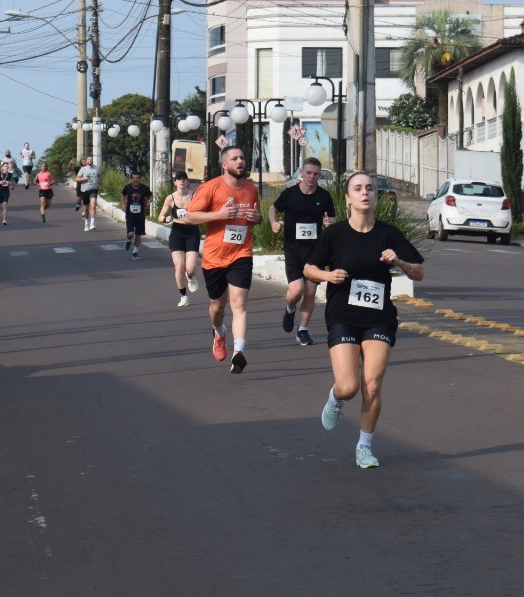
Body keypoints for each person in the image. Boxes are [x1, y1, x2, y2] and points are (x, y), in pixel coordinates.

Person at [304, 171, 425, 469]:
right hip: (343, 314)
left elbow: (418, 271)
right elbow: (309, 269)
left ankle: (364, 447)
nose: (365, 193)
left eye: (369, 188)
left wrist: (397, 261)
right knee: (349, 387)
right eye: (357, 189)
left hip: (379, 317)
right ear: (348, 198)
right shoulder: (335, 234)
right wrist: (328, 275)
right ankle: (335, 398)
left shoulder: (388, 234)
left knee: (372, 384)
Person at [180, 145, 260, 373]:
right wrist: (219, 215)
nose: (240, 161)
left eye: (242, 157)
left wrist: (257, 218)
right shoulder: (210, 188)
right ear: (224, 164)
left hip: (241, 253)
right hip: (215, 257)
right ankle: (219, 332)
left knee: (239, 304)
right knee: (217, 307)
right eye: (235, 158)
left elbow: (255, 217)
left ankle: (239, 352)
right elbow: (189, 217)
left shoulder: (251, 190)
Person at [271, 157, 336, 346]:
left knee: (309, 292)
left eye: (316, 174)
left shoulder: (324, 197)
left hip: (315, 251)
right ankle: (290, 308)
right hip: (293, 249)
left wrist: (330, 223)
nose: (312, 177)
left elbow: (331, 220)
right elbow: (273, 209)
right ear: (302, 172)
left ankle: (303, 330)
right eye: (309, 173)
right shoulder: (290, 194)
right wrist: (274, 222)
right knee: (296, 290)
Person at [159, 172, 201, 307]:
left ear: (187, 182)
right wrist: (166, 219)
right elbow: (160, 216)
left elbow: (204, 210)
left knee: (191, 268)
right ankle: (184, 296)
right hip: (177, 232)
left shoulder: (195, 196)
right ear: (175, 182)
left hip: (192, 232)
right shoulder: (170, 198)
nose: (182, 181)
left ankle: (190, 277)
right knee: (179, 266)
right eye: (179, 179)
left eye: (184, 179)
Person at [120, 169, 153, 260]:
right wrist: (122, 204)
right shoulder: (128, 187)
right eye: (134, 178)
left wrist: (149, 201)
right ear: (131, 179)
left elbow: (150, 195)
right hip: (130, 215)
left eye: (137, 178)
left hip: (140, 215)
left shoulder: (144, 188)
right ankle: (129, 240)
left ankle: (135, 253)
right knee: (131, 233)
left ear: (140, 179)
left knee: (138, 235)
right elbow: (122, 194)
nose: (136, 180)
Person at [76, 156, 99, 232]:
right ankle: (86, 224)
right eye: (89, 159)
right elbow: (77, 179)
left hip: (93, 189)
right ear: (86, 161)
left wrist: (99, 184)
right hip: (85, 190)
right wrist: (83, 178)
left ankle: (92, 224)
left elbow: (99, 176)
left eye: (91, 159)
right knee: (86, 209)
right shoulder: (83, 169)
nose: (90, 160)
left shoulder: (96, 168)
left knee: (93, 205)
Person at [0, 161, 13, 225]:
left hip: (6, 192)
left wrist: (11, 185)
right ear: (2, 167)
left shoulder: (10, 174)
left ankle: (4, 220)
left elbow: (11, 181)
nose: (7, 167)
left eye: (7, 166)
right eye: (5, 166)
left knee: (5, 205)